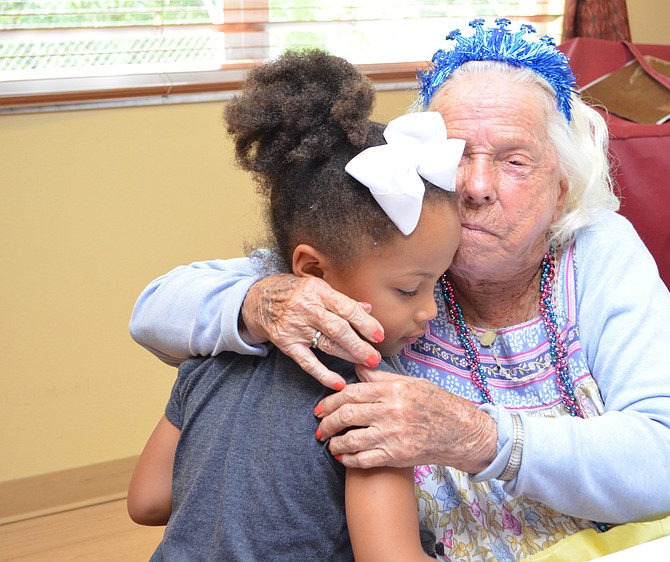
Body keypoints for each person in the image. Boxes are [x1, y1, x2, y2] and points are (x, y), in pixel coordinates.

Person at [130, 19, 670, 560]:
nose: (475, 186)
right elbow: (157, 306)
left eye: (515, 161)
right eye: (456, 155)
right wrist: (259, 302)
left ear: (564, 188)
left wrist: (480, 436)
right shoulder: (380, 248)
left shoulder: (598, 251)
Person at [126, 49, 464, 561]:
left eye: (438, 284)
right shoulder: (368, 404)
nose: (430, 310)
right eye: (408, 288)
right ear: (311, 272)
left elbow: (146, 500)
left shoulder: (207, 363)